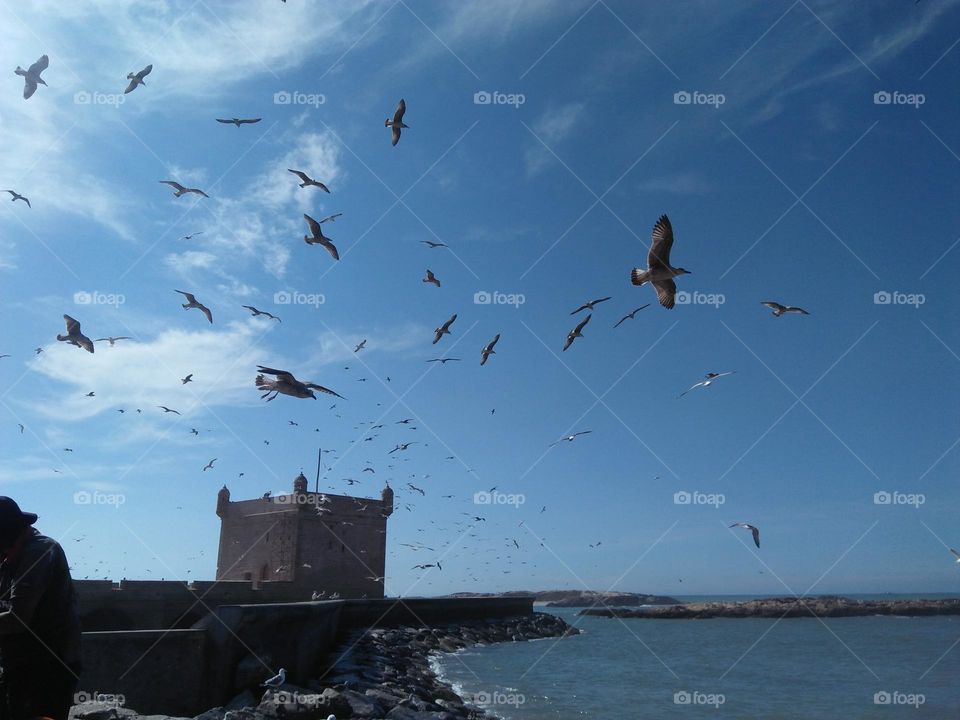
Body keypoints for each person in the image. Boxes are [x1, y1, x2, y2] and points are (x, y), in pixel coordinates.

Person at [0, 497, 81, 720]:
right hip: (19, 665)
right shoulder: (11, 554)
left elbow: (18, 618)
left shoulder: (40, 552)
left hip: (47, 667)